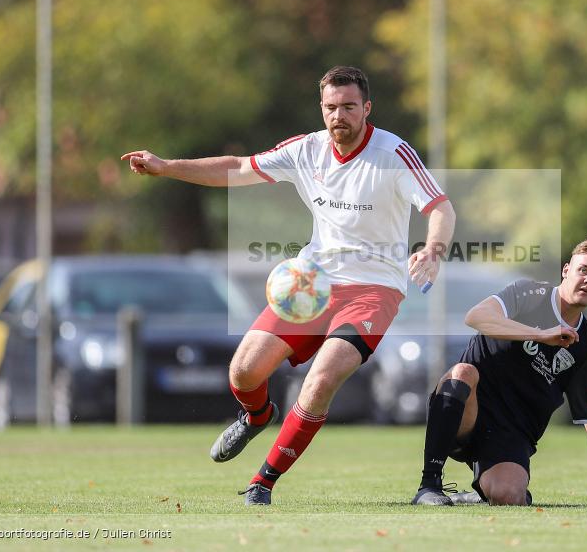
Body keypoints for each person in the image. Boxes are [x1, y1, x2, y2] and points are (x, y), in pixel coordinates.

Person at [122, 66, 456, 506]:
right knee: (243, 372)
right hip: (312, 281)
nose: (340, 116)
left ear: (367, 108)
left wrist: (432, 249)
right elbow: (240, 167)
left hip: (374, 288)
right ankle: (257, 415)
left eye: (349, 107)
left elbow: (440, 207)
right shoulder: (307, 149)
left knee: (319, 381)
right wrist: (167, 167)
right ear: (322, 108)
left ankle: (262, 482)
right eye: (331, 107)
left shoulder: (393, 153)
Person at [411, 237, 587, 506]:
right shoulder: (528, 294)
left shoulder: (585, 347)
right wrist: (540, 334)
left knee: (509, 496)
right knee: (463, 372)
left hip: (511, 434)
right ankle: (428, 486)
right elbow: (475, 317)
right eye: (584, 270)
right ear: (566, 270)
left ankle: (483, 492)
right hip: (466, 412)